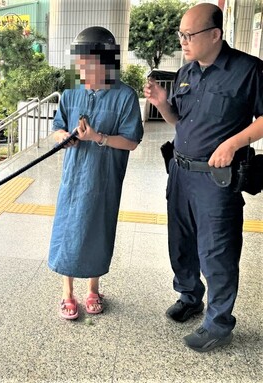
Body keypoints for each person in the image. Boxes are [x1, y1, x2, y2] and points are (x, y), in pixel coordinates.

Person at [144, 3, 263, 352]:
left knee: (217, 250)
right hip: (180, 173)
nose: (183, 41)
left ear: (215, 34)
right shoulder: (187, 72)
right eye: (181, 35)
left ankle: (219, 322)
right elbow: (177, 121)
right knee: (180, 242)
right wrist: (164, 103)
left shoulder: (248, 70)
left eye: (189, 35)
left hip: (217, 178)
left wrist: (234, 142)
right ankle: (189, 296)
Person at [48, 26, 144, 320]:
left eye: (89, 62)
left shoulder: (125, 96)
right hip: (73, 180)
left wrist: (97, 137)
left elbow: (131, 141)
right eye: (80, 62)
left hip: (103, 180)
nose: (83, 68)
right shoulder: (70, 92)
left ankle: (93, 289)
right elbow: (56, 129)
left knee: (97, 231)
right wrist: (66, 137)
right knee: (67, 231)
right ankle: (67, 293)